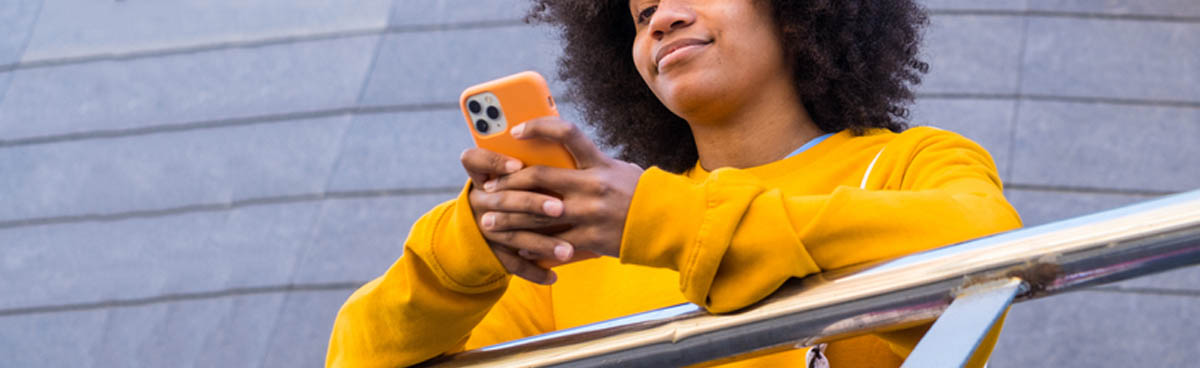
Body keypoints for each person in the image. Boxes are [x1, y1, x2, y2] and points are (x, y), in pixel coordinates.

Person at [326, 0, 1022, 367]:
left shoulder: (907, 165)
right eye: (640, 15)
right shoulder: (577, 246)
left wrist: (662, 223)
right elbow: (358, 358)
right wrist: (472, 245)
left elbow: (989, 245)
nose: (663, 17)